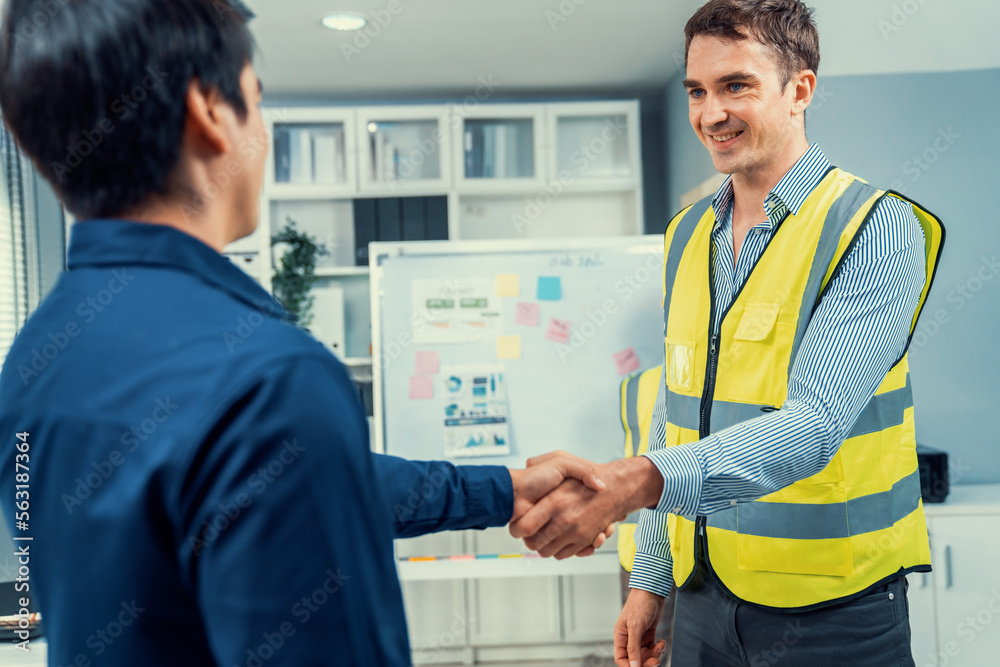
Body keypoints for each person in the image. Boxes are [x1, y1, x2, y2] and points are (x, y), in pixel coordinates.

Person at [0, 1, 614, 665]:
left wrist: (500, 488)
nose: (262, 137)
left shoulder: (35, 359)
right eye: (256, 104)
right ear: (208, 111)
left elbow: (265, 486)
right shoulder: (269, 379)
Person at [510, 1, 946, 665]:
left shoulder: (875, 228)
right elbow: (673, 410)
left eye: (735, 85)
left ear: (799, 89)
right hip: (702, 600)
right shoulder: (687, 235)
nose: (711, 113)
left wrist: (632, 482)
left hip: (835, 611)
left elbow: (816, 423)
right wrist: (651, 579)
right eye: (697, 91)